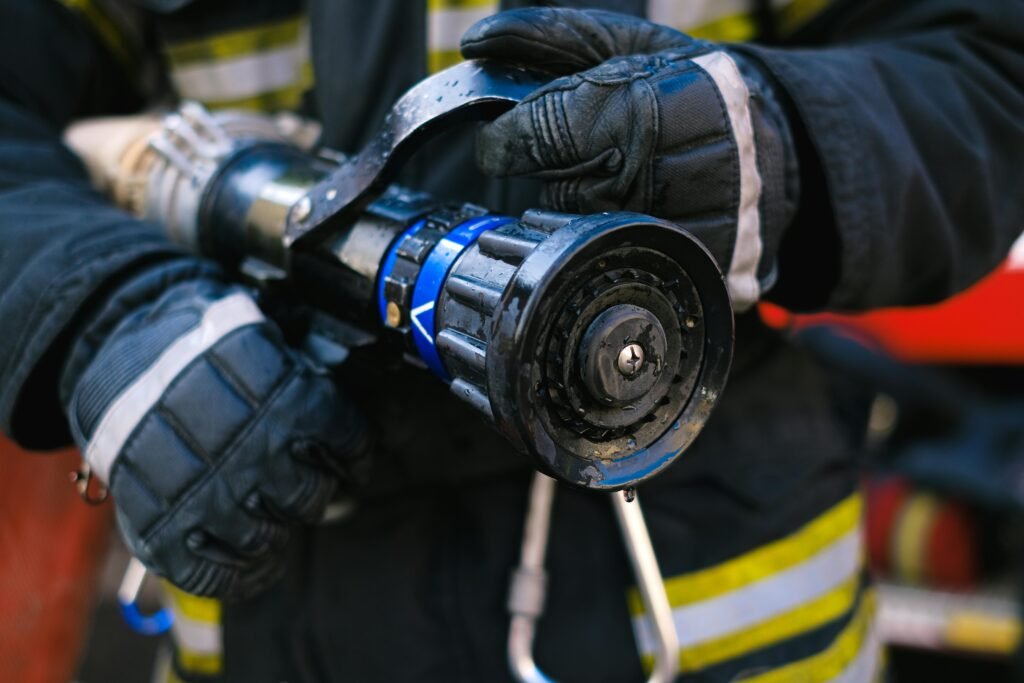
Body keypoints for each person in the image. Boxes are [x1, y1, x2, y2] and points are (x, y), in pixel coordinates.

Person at [1, 1, 1021, 681]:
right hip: (281, 586)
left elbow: (985, 70)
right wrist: (111, 311)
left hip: (723, 615)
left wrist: (774, 141)